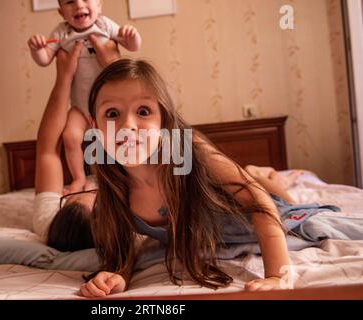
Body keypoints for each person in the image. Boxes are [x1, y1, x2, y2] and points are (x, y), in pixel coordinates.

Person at [77, 58, 297, 298]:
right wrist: (118, 275)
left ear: (164, 118)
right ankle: (255, 173)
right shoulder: (111, 183)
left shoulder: (190, 152)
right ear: (94, 126)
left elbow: (260, 203)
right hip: (215, 232)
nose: (127, 125)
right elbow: (124, 243)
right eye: (112, 113)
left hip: (262, 215)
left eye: (143, 111)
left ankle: (258, 174)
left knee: (280, 199)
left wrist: (278, 275)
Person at [28, 0, 142, 194]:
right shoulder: (61, 33)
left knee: (116, 139)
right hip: (80, 108)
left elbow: (132, 46)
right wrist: (37, 49)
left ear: (99, 5)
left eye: (86, 0)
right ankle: (79, 178)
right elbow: (45, 59)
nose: (78, 5)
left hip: (106, 107)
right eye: (70, 2)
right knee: (69, 136)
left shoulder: (105, 25)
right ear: (61, 12)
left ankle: (120, 177)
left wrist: (132, 36)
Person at [33, 37, 119, 253]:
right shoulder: (131, 214)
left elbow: (48, 151)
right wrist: (113, 68)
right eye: (97, 196)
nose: (90, 188)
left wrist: (64, 77)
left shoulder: (48, 220)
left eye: (70, 196)